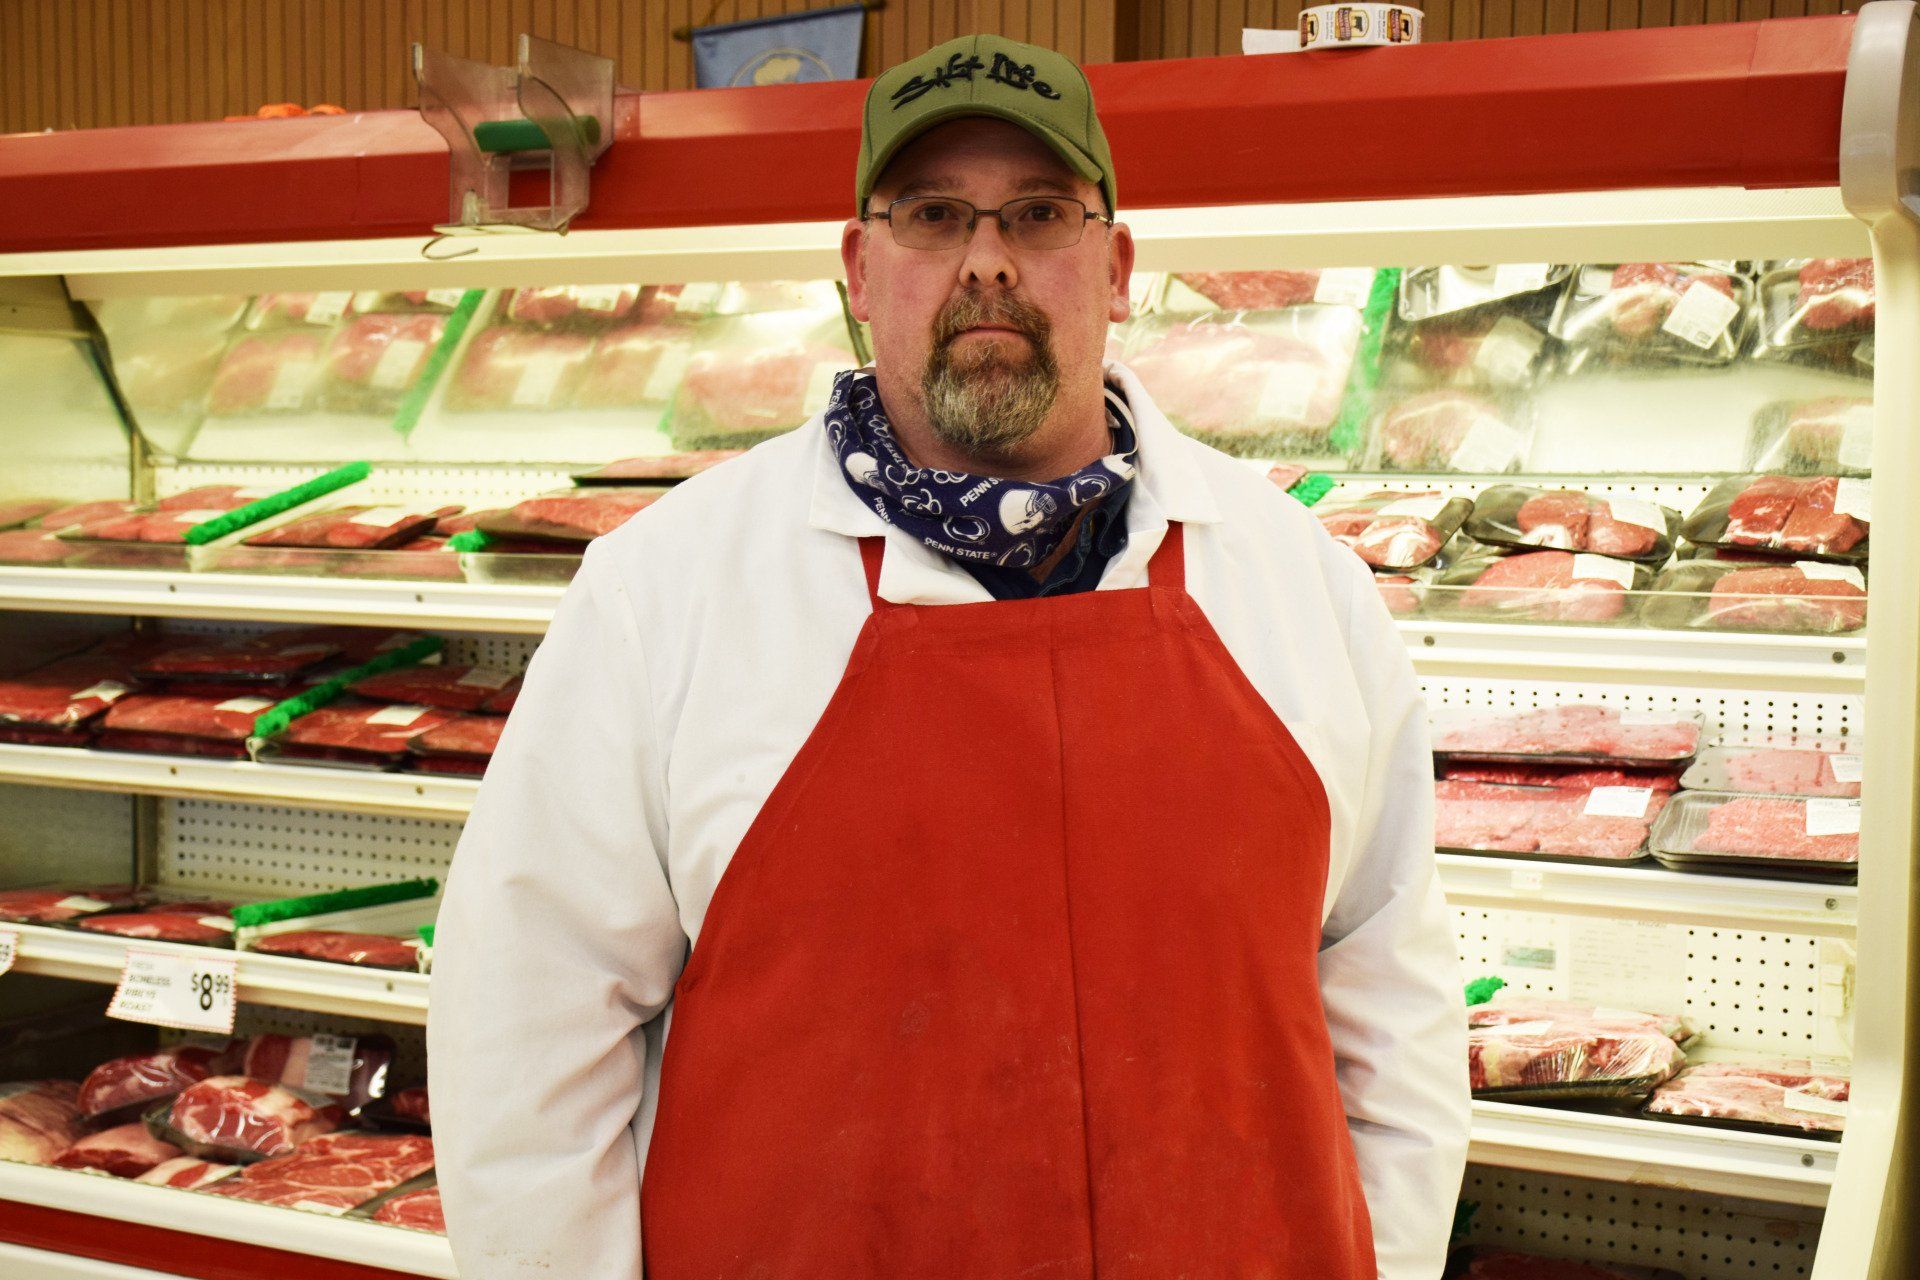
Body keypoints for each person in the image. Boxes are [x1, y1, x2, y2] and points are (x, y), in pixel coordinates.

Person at [431, 33, 1469, 1280]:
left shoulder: (1303, 585)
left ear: (1118, 264)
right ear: (862, 269)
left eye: (1038, 213)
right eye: (932, 216)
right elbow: (525, 1041)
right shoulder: (667, 591)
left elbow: (1391, 995)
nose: (988, 262)